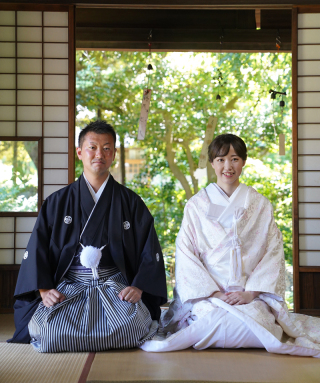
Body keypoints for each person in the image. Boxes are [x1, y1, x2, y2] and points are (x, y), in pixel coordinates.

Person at [141, 134, 320, 357]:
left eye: (235, 159)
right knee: (212, 320)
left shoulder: (260, 204)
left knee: (256, 322)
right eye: (221, 159)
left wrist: (251, 293)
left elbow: (273, 252)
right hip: (208, 295)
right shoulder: (196, 205)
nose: (228, 166)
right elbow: (186, 253)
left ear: (244, 161)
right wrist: (213, 293)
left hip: (249, 293)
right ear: (212, 163)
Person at [9, 120, 167, 352]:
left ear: (113, 154)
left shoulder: (131, 202)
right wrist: (44, 290)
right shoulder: (57, 202)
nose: (99, 154)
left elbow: (148, 249)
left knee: (133, 326)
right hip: (70, 286)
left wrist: (139, 287)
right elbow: (37, 249)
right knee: (48, 330)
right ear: (80, 152)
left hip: (115, 287)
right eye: (92, 147)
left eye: (106, 148)